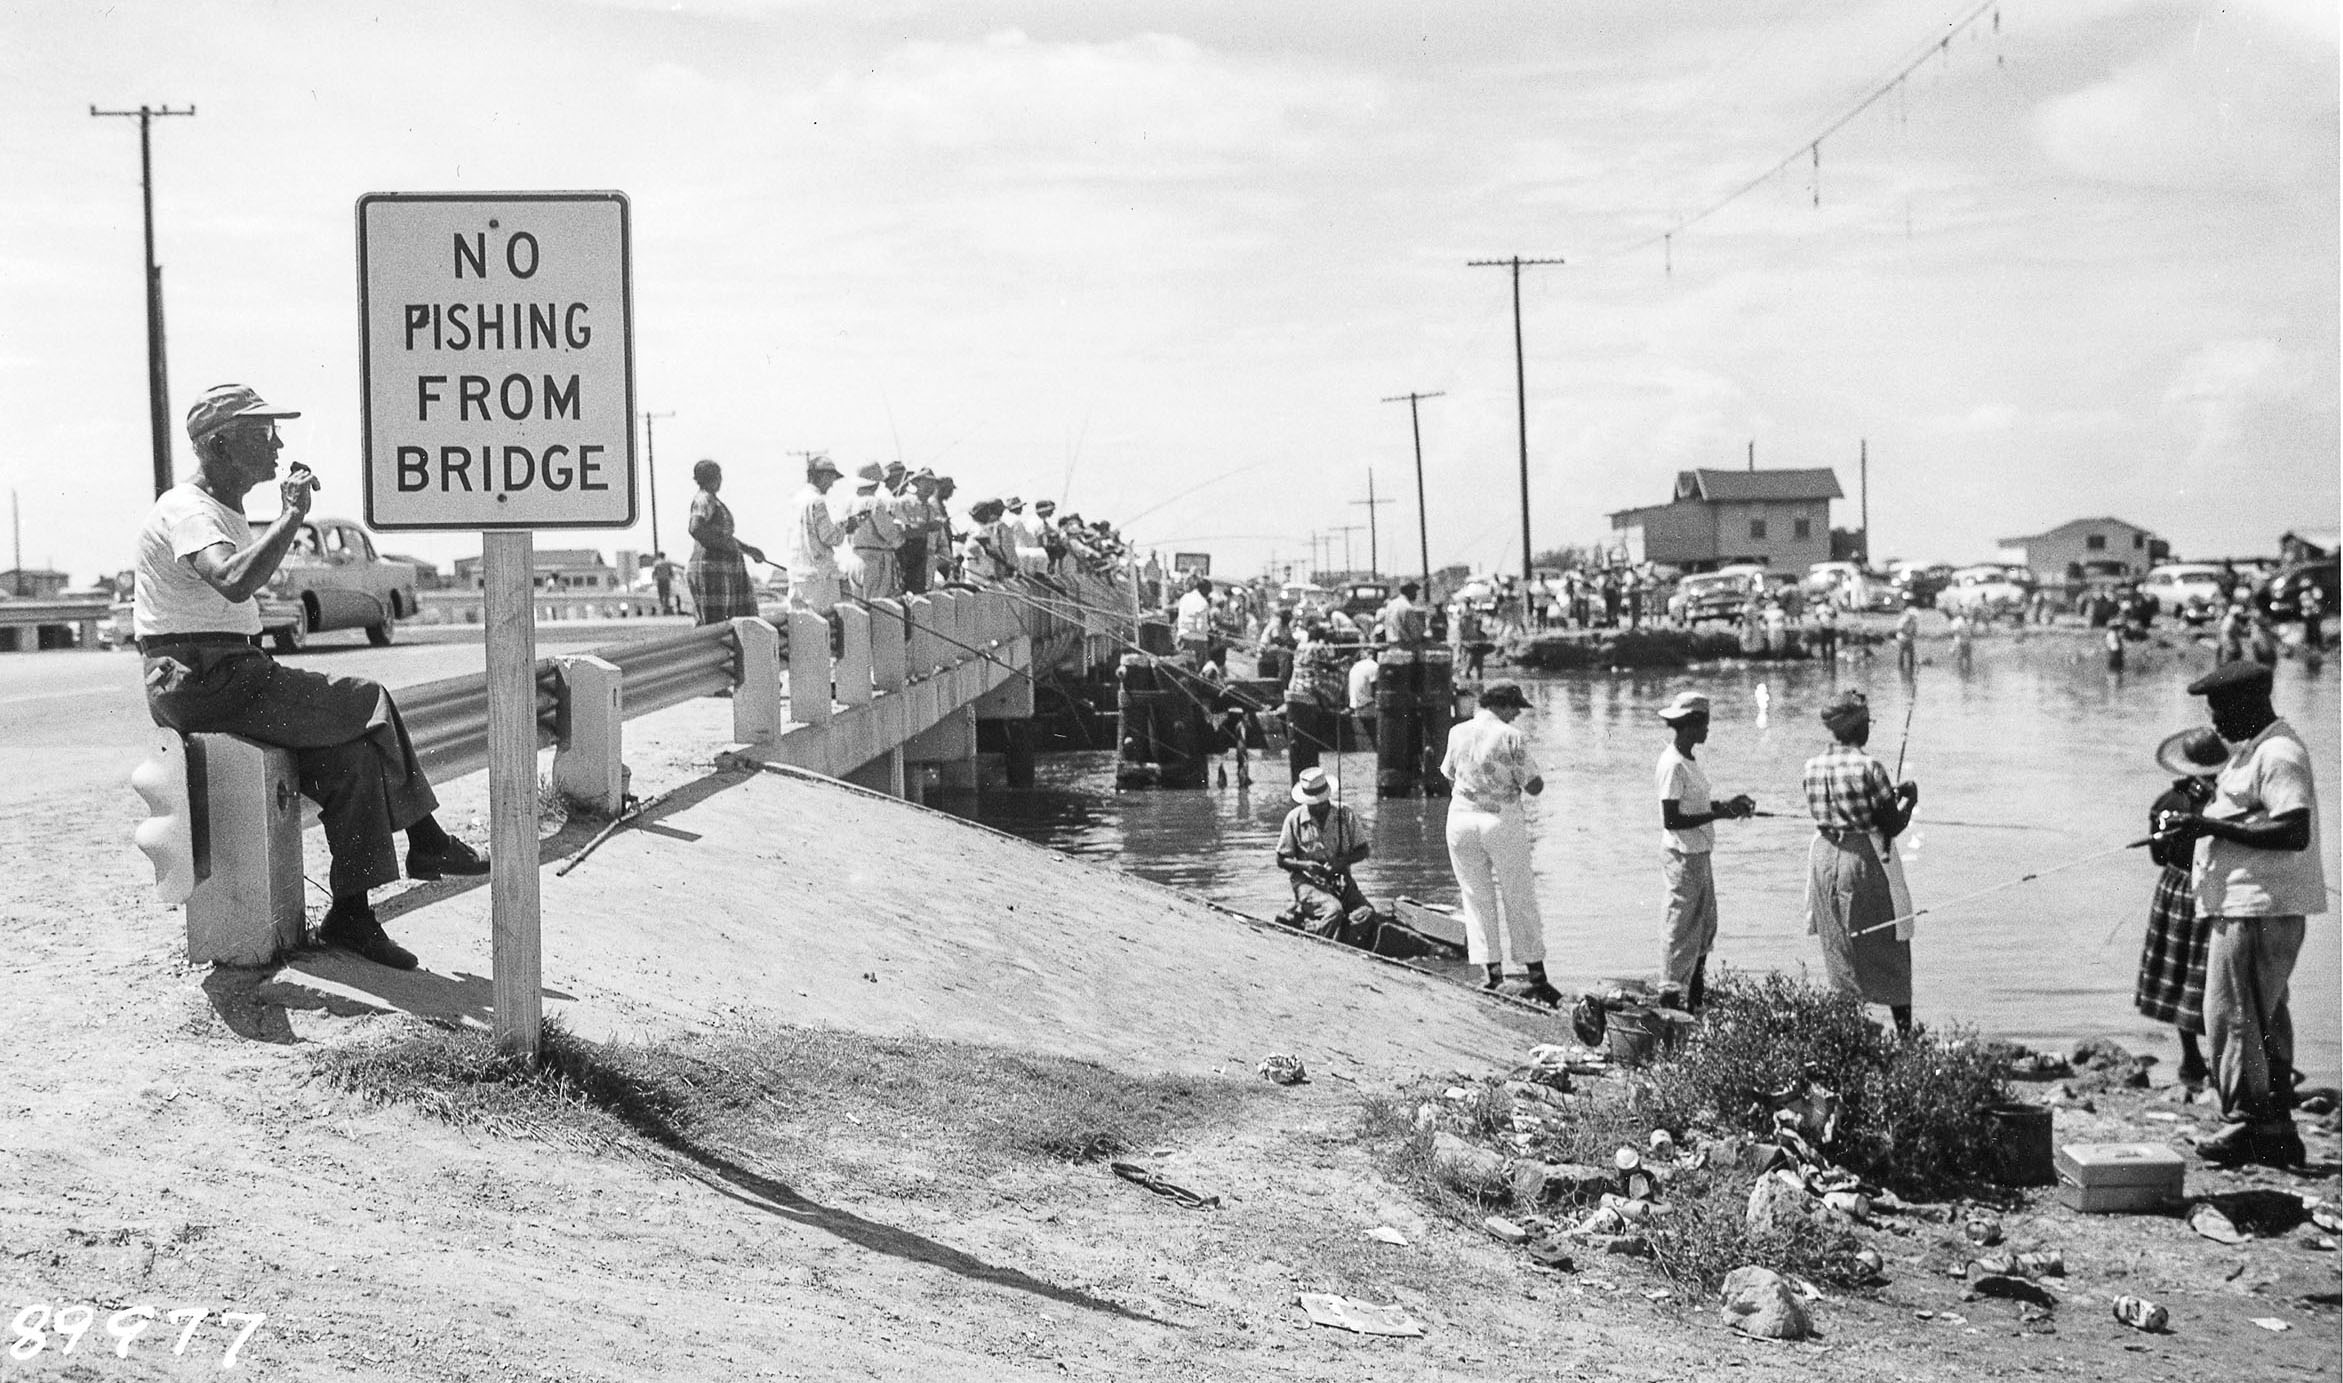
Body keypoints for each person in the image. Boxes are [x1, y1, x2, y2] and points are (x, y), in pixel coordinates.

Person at [137, 384, 486, 971]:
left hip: (228, 674)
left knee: (353, 764)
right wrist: (293, 515)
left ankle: (352, 913)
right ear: (219, 444)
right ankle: (428, 839)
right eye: (262, 433)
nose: (277, 444)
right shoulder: (188, 509)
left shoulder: (220, 509)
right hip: (204, 676)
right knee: (368, 698)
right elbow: (233, 581)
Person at [2163, 661, 2325, 1168]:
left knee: (2231, 1017)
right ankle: (2276, 1129)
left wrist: (2211, 829)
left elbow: (2292, 831)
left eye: (2218, 710)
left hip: (2257, 908)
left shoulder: (2279, 752)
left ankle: (2245, 1122)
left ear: (2247, 704)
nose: (2214, 724)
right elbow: (2248, 817)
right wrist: (2201, 818)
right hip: (2246, 906)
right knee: (2264, 1019)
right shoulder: (2251, 754)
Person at [1800, 688, 1919, 1037]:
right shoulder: (1870, 767)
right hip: (1863, 859)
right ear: (1858, 727)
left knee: (1839, 945)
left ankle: (1847, 1034)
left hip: (1824, 857)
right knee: (1890, 943)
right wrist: (1909, 801)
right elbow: (1891, 825)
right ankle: (1906, 1039)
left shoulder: (1811, 766)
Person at [1439, 680, 1558, 1004]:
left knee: (1476, 897)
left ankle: (1492, 974)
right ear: (1503, 705)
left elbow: (1449, 774)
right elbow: (1534, 786)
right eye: (1515, 707)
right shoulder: (1511, 737)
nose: (1518, 713)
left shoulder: (1457, 732)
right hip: (1500, 818)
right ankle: (1536, 974)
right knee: (1518, 894)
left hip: (1461, 817)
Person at [2136, 727, 2225, 1088]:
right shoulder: (2221, 802)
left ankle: (2190, 1057)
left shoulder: (2165, 801)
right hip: (2211, 889)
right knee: (2206, 974)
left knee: (2179, 974)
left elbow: (2158, 857)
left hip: (2174, 888)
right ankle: (2217, 1061)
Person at [1654, 692, 1754, 1010]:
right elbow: (1671, 819)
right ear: (1692, 724)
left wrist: (1727, 806)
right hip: (1682, 855)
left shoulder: (1689, 762)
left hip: (1699, 853)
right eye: (1705, 724)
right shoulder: (1672, 764)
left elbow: (1693, 805)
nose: (1708, 731)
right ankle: (1670, 997)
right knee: (1681, 925)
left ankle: (1695, 997)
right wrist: (1717, 815)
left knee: (1704, 924)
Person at [1275, 767, 1376, 942]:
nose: (1319, 807)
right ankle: (1318, 942)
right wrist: (1305, 866)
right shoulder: (1294, 819)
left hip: (1341, 881)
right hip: (1307, 883)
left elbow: (1363, 850)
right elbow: (1281, 859)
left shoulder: (1345, 814)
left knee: (1366, 913)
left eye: (1321, 802)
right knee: (1334, 910)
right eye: (1313, 803)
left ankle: (1335, 935)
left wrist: (1340, 862)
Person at [686, 458, 766, 626]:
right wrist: (724, 546)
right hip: (712, 568)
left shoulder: (714, 501)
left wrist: (749, 550)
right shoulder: (703, 499)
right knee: (715, 621)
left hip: (723, 568)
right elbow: (696, 528)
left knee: (735, 618)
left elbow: (723, 536)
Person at [1281, 618, 1348, 780]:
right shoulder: (1318, 647)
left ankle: (1323, 703)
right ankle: (1329, 703)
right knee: (1340, 675)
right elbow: (1329, 666)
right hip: (1309, 687)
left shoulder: (1300, 646)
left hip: (1295, 686)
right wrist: (1344, 662)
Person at [785, 455, 848, 614]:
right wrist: (844, 526)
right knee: (823, 627)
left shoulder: (796, 499)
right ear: (825, 476)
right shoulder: (817, 501)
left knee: (801, 627)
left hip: (798, 574)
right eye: (832, 479)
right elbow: (829, 537)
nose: (832, 484)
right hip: (819, 577)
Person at [845, 462, 904, 601]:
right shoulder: (875, 503)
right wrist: (900, 530)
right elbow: (889, 533)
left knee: (859, 608)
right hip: (875, 560)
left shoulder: (849, 502)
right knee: (878, 607)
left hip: (855, 558)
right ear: (876, 483)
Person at [1174, 578, 1216, 662]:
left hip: (1182, 637)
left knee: (1183, 665)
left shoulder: (1184, 597)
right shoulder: (1203, 603)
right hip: (1198, 641)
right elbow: (1200, 627)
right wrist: (1211, 631)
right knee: (1197, 670)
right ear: (1204, 590)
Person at [1346, 644, 1380, 750]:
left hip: (1355, 707)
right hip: (1368, 708)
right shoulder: (1374, 666)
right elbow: (1375, 691)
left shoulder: (1356, 666)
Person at [1379, 581, 1429, 646]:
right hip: (1404, 647)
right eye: (1414, 591)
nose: (1416, 594)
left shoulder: (1391, 604)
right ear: (1409, 591)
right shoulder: (1407, 607)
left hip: (1390, 645)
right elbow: (1414, 634)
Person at [648, 551, 679, 616]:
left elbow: (654, 572)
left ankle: (662, 607)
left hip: (660, 580)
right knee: (666, 594)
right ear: (664, 556)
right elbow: (671, 572)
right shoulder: (667, 563)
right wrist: (673, 578)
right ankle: (666, 607)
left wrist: (653, 579)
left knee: (661, 594)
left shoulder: (656, 563)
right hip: (666, 580)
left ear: (659, 556)